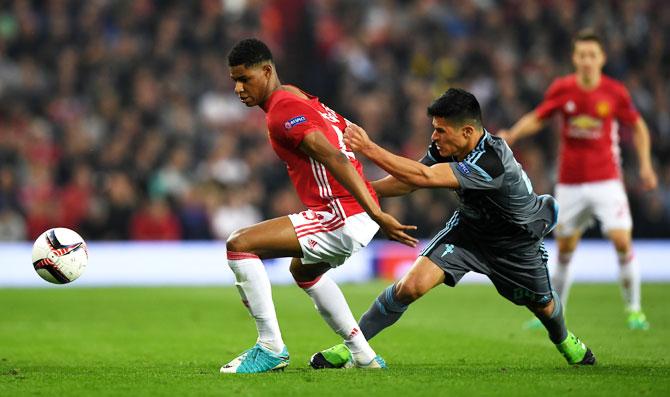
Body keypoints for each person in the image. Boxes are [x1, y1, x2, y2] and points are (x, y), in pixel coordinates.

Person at [309, 88, 596, 369]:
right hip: (469, 231)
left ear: (468, 132)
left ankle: (564, 339)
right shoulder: (445, 148)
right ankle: (353, 347)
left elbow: (423, 177)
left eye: (441, 130)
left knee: (543, 307)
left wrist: (368, 148)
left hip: (515, 243)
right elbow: (409, 180)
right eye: (434, 128)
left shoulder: (491, 161)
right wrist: (360, 191)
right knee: (410, 286)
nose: (434, 137)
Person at [220, 38, 418, 374]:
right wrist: (374, 197)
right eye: (234, 81)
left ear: (267, 71)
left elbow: (334, 155)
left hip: (342, 214)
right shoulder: (298, 97)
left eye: (245, 78)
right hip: (351, 209)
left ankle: (270, 348)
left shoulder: (283, 111)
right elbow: (346, 138)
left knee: (239, 245)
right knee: (304, 270)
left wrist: (374, 210)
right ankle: (363, 355)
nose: (239, 88)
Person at [497, 28, 658, 330]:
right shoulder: (563, 88)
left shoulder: (614, 92)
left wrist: (646, 166)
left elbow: (639, 127)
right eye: (581, 54)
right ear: (574, 57)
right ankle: (554, 312)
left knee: (622, 241)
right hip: (570, 183)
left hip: (606, 181)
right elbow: (539, 116)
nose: (586, 60)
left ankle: (635, 310)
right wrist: (514, 133)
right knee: (565, 249)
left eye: (592, 55)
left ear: (601, 59)